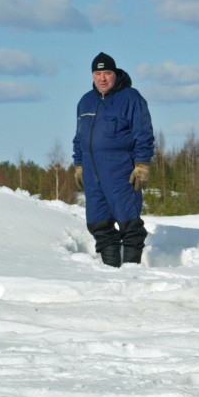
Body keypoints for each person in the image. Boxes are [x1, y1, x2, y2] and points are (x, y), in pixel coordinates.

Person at [73, 52, 155, 267]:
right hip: (92, 173)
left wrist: (142, 164)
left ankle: (131, 274)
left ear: (115, 74)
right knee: (98, 224)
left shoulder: (130, 97)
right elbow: (79, 137)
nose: (102, 78)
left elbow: (143, 133)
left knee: (129, 224)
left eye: (107, 73)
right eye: (97, 73)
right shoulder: (86, 101)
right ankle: (110, 273)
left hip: (120, 170)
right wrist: (79, 164)